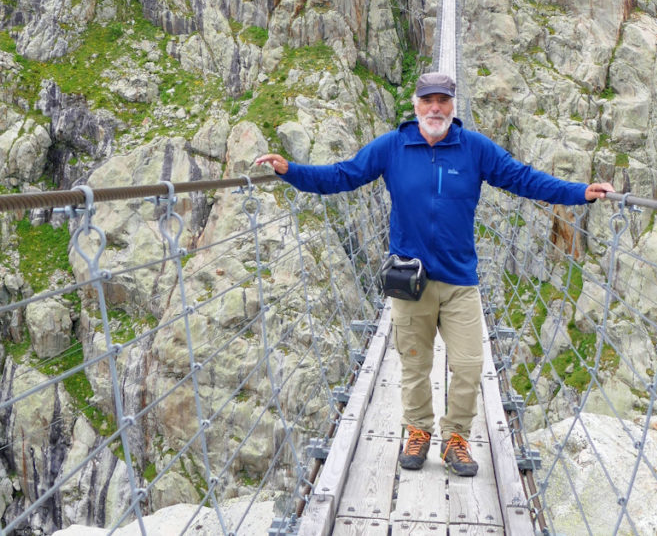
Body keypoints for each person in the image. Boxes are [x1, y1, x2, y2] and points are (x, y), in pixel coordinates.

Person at [255, 72, 613, 477]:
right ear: (415, 104)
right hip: (410, 281)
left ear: (454, 106)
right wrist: (291, 171)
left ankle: (455, 438)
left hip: (460, 280)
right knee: (414, 363)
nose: (435, 108)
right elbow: (342, 175)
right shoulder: (393, 147)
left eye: (443, 100)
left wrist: (577, 192)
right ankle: (418, 431)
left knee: (468, 365)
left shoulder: (474, 149)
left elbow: (523, 179)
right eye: (428, 101)